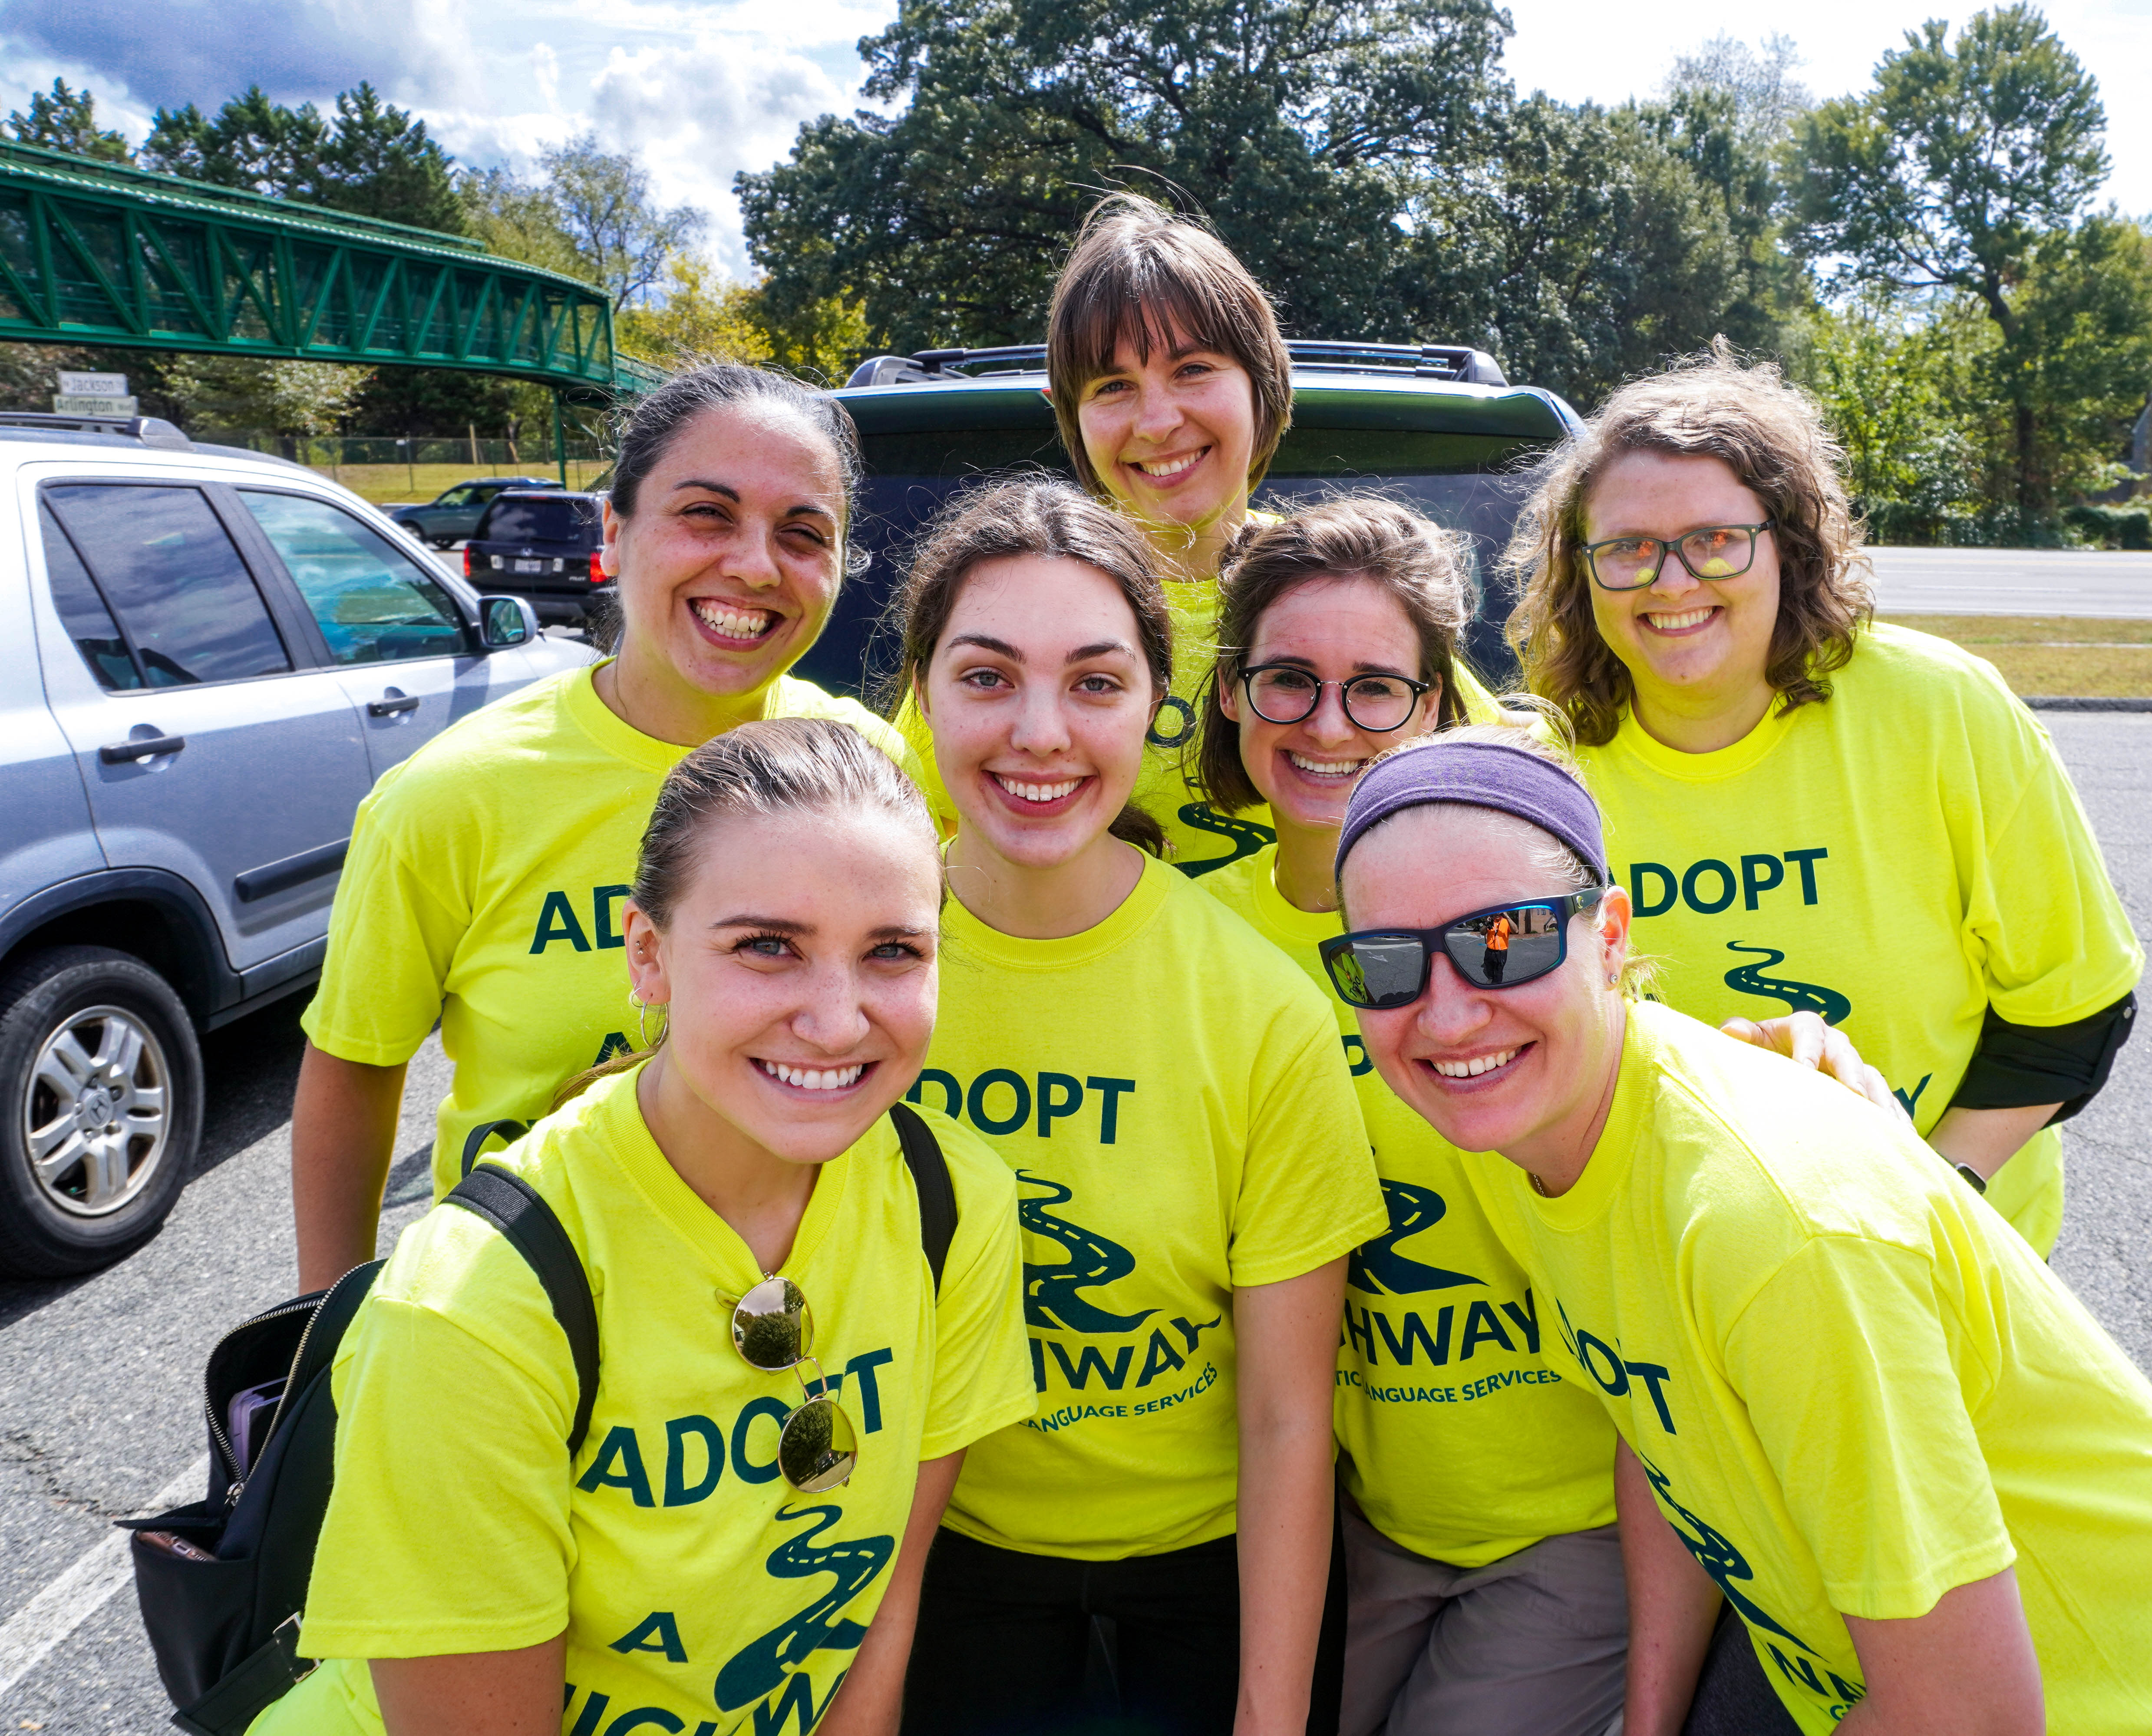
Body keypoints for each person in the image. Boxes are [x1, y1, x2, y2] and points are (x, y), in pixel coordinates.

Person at [1327, 730, 2152, 1736]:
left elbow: (1969, 1718)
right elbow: (1666, 1433)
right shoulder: (1549, 1125)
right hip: (1847, 1650)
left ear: (1609, 936)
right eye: (1386, 963)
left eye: (1503, 939)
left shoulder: (1774, 1228)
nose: (1448, 1013)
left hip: (2107, 1693)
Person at [1195, 502, 1897, 1736]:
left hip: (1579, 1513)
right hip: (1359, 1511)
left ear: (1437, 704)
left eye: (1378, 688)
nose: (1327, 722)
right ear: (1232, 696)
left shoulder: (1522, 915)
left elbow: (1676, 1092)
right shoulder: (1195, 937)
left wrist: (1811, 1068)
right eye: (1288, 680)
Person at [250, 719, 1033, 1736]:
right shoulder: (474, 1306)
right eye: (768, 946)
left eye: (892, 950)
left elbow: (879, 1606)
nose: (839, 1020)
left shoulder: (951, 1201)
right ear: (648, 955)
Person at [888, 478, 1385, 1736]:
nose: (1041, 732)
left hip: (1209, 1573)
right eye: (987, 676)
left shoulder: (1258, 1004)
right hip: (929, 1553)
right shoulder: (855, 971)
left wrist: (1271, 1714)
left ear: (1156, 707)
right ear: (923, 693)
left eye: (1096, 683)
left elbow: (1286, 1416)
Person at [290, 363, 920, 1291]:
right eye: (706, 514)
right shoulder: (456, 795)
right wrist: (323, 1334)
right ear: (615, 533)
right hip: (525, 1312)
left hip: (804, 1311)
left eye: (802, 532)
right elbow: (354, 1070)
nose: (753, 565)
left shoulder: (872, 772)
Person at [1507, 346, 2143, 1257]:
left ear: (1790, 543)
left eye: (1716, 539)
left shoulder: (1940, 708)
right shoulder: (1540, 769)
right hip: (1673, 1270)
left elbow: (2074, 1009)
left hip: (1946, 1259)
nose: (1672, 581)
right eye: (1629, 549)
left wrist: (1926, 1199)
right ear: (1582, 570)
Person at [891, 191, 1492, 877]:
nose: (1155, 421)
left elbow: (1497, 797)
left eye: (1193, 370)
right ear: (1068, 414)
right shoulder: (1014, 604)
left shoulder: (1336, 589)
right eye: (1112, 386)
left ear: (1264, 383)